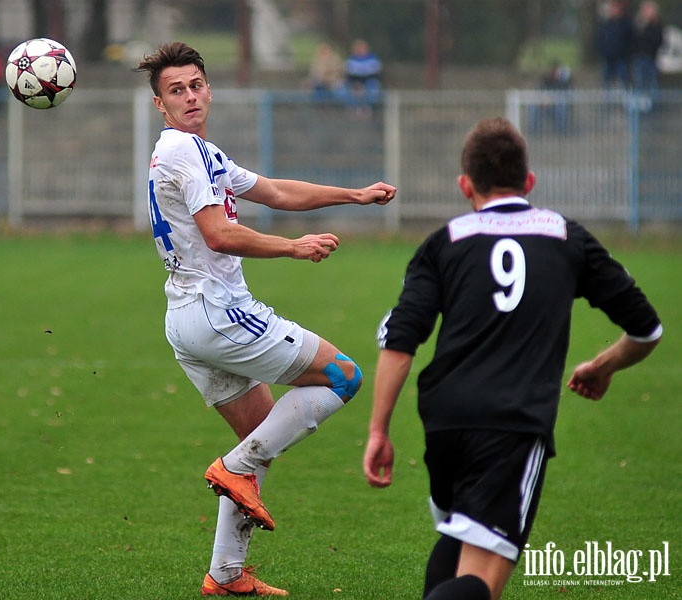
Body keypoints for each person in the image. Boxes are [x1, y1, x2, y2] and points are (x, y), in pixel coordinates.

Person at [135, 41, 396, 597]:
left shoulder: (200, 153)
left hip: (185, 318)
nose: (189, 96)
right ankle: (231, 468)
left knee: (260, 441)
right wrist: (294, 249)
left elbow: (275, 190)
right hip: (218, 312)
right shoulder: (184, 152)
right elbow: (218, 233)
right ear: (160, 104)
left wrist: (352, 195)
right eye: (175, 90)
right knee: (344, 375)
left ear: (209, 88)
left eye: (195, 85)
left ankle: (226, 573)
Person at [363, 117, 662, 600]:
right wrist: (602, 366)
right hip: (512, 426)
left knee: (461, 540)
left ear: (466, 186)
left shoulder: (444, 242)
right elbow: (647, 328)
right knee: (481, 581)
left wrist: (378, 430)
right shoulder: (567, 237)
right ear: (529, 182)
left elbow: (400, 340)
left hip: (443, 423)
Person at [597, 0, 635, 89]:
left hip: (622, 59)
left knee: (624, 82)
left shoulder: (626, 24)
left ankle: (626, 100)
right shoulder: (606, 24)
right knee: (607, 83)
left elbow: (631, 41)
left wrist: (626, 54)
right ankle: (608, 102)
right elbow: (600, 39)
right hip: (608, 59)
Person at [632, 1, 664, 105]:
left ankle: (653, 108)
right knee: (639, 84)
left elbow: (657, 41)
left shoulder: (657, 26)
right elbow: (635, 41)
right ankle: (640, 108)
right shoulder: (639, 25)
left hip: (651, 58)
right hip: (639, 58)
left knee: (652, 85)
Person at [343, 38, 382, 113]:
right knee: (346, 88)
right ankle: (353, 109)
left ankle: (367, 109)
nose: (360, 49)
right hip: (354, 83)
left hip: (369, 81)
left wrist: (362, 83)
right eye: (358, 47)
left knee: (373, 87)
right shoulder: (351, 59)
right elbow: (350, 74)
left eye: (362, 47)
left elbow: (374, 73)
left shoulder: (373, 58)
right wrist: (357, 83)